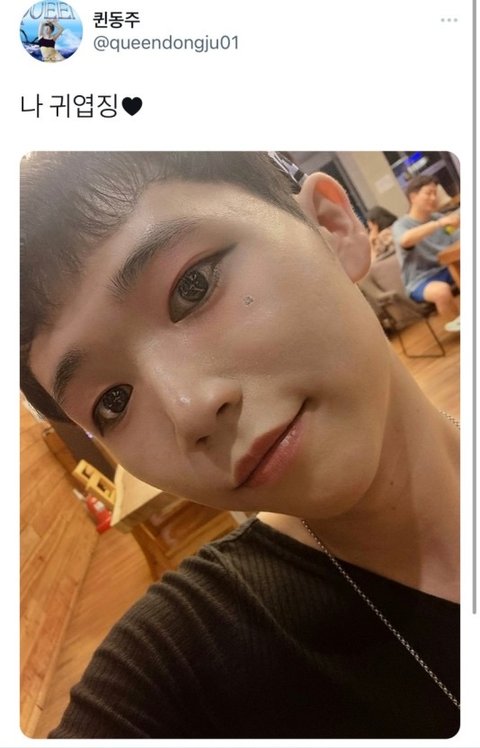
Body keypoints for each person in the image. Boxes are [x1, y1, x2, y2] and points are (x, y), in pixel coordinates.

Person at [20, 152, 459, 739]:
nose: (189, 409)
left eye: (193, 287)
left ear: (332, 227)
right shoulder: (183, 663)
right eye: (113, 403)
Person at [391, 175, 460, 332]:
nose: (433, 197)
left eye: (435, 193)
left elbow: (457, 239)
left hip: (446, 268)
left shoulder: (438, 218)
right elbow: (406, 240)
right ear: (413, 197)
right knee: (441, 291)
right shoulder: (401, 225)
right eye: (428, 193)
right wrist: (438, 224)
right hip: (419, 280)